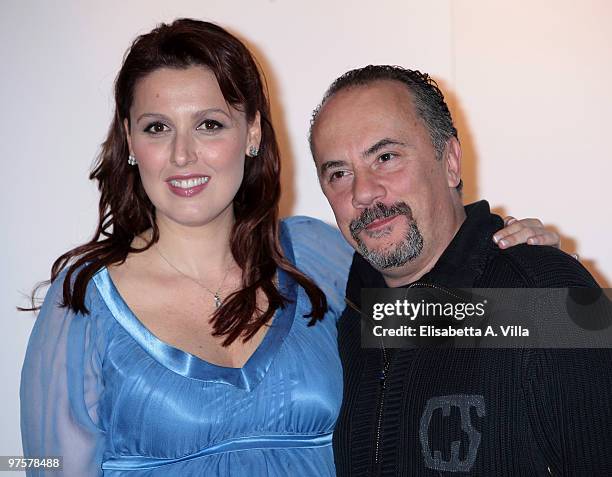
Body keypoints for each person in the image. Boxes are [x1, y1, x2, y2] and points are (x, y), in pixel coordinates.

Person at [21, 19, 560, 476]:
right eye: (157, 127)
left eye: (210, 124)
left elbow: (449, 319)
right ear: (131, 142)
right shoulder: (84, 304)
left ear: (252, 132)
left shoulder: (319, 257)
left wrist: (523, 268)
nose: (183, 154)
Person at [309, 65, 612, 476]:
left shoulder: (546, 299)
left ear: (450, 161)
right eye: (339, 173)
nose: (363, 192)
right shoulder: (346, 325)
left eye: (386, 157)